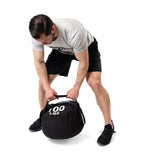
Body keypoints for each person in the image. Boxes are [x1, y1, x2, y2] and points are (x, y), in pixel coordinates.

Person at [28, 14, 115, 145]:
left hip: (86, 48)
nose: (43, 44)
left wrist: (76, 88)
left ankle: (109, 125)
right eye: (41, 42)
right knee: (42, 83)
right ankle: (43, 117)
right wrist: (47, 88)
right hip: (61, 51)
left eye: (46, 41)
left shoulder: (73, 31)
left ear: (52, 29)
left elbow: (83, 63)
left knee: (94, 83)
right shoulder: (38, 35)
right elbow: (39, 62)